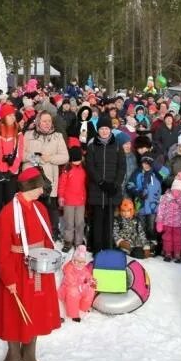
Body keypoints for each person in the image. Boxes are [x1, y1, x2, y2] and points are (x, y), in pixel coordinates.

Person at [0, 166, 60, 361]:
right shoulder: (7, 213)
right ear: (31, 187)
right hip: (17, 269)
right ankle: (13, 354)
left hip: (38, 269)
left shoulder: (40, 209)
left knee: (35, 310)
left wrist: (50, 260)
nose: (42, 191)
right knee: (14, 311)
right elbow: (2, 250)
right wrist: (8, 278)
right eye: (40, 187)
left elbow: (47, 238)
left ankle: (30, 354)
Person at [85, 118, 126, 253]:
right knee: (97, 220)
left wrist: (115, 184)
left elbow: (122, 167)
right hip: (97, 189)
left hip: (112, 190)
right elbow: (90, 166)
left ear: (110, 130)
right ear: (98, 130)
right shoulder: (92, 145)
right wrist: (100, 182)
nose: (104, 131)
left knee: (109, 220)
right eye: (102, 129)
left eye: (106, 129)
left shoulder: (117, 146)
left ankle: (108, 247)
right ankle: (97, 248)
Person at [58, 245, 96, 322]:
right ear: (73, 260)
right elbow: (70, 282)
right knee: (73, 293)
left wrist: (91, 281)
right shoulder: (69, 268)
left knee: (91, 290)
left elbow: (88, 276)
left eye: (82, 262)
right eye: (77, 261)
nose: (80, 264)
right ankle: (74, 314)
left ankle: (83, 307)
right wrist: (83, 286)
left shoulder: (84, 268)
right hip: (68, 289)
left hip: (81, 287)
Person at [156, 178, 181, 263]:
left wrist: (179, 197)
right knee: (167, 238)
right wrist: (159, 221)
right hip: (167, 222)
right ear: (172, 188)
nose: (177, 192)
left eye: (179, 190)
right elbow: (161, 209)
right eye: (176, 189)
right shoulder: (165, 197)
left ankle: (177, 253)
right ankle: (168, 253)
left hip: (178, 223)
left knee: (178, 239)